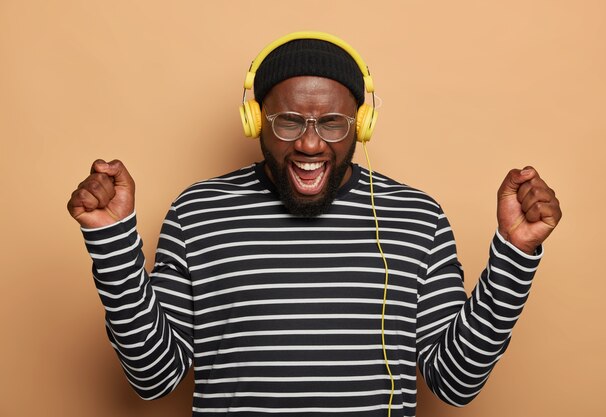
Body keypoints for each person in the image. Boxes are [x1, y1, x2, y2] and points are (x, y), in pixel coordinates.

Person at [67, 32, 561, 416]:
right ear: (255, 119)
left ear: (361, 126)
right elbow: (155, 378)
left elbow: (455, 383)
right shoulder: (198, 212)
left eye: (331, 123)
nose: (309, 144)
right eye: (288, 121)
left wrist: (514, 256)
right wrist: (111, 242)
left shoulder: (417, 218)